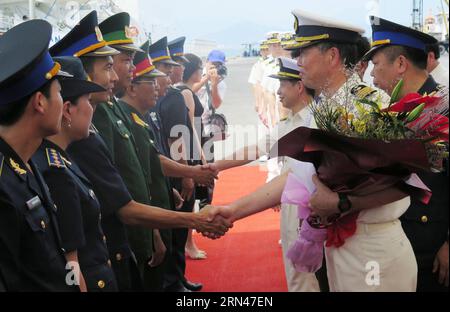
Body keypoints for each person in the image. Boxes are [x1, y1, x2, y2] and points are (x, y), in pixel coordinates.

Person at [209, 10, 420, 292]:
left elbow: (406, 181)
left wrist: (341, 203)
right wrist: (233, 210)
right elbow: (295, 177)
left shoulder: (369, 107)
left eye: (302, 54)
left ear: (332, 56)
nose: (297, 62)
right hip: (343, 245)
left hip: (373, 251)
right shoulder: (322, 109)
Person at [51, 11, 231, 292]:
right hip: (114, 246)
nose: (130, 69)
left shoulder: (110, 111)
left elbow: (141, 166)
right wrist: (195, 218)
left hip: (131, 238)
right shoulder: (87, 122)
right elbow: (120, 200)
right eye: (120, 63)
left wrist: (190, 175)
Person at [214, 58, 320, 292]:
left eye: (282, 84)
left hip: (308, 212)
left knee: (305, 280)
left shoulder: (316, 122)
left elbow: (295, 177)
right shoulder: (290, 122)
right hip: (290, 204)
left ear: (299, 86)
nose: (278, 92)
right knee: (295, 275)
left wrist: (234, 210)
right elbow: (258, 148)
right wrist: (216, 166)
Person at [365, 16, 449, 292]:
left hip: (434, 252)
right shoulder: (392, 113)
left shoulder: (444, 109)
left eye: (376, 66)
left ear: (400, 64)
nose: (373, 78)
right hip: (398, 244)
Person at [0, 19, 77, 292]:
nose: (63, 102)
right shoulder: (3, 184)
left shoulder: (27, 161)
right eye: (59, 92)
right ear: (40, 102)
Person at [33, 56, 118, 292]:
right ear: (68, 110)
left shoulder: (62, 159)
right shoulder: (56, 171)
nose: (92, 109)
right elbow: (72, 264)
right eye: (88, 101)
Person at [154, 39, 205, 292]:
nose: (178, 69)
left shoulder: (167, 95)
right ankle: (174, 282)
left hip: (170, 169)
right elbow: (177, 138)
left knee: (177, 229)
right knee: (177, 228)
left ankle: (178, 278)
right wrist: (187, 173)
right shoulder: (172, 97)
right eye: (171, 65)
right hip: (175, 170)